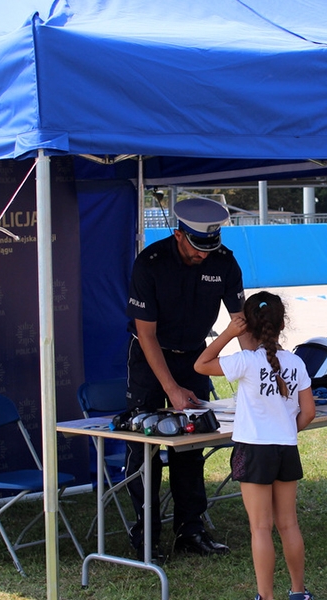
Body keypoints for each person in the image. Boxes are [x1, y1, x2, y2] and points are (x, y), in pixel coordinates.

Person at [124, 197, 249, 562]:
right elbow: (146, 335)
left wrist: (259, 371)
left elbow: (241, 323)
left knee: (192, 447)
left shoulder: (224, 261)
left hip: (195, 356)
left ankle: (190, 531)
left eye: (210, 248)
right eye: (197, 248)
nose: (203, 256)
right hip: (151, 359)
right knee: (144, 448)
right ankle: (146, 536)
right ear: (178, 234)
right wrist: (171, 390)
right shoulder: (150, 263)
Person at [195, 291, 316, 600]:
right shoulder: (296, 362)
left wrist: (227, 333)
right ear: (282, 323)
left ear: (246, 325)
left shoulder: (246, 362)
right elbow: (309, 411)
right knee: (288, 525)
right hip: (286, 448)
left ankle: (266, 596)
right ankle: (298, 592)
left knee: (260, 528)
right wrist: (288, 429)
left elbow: (201, 364)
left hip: (254, 449)